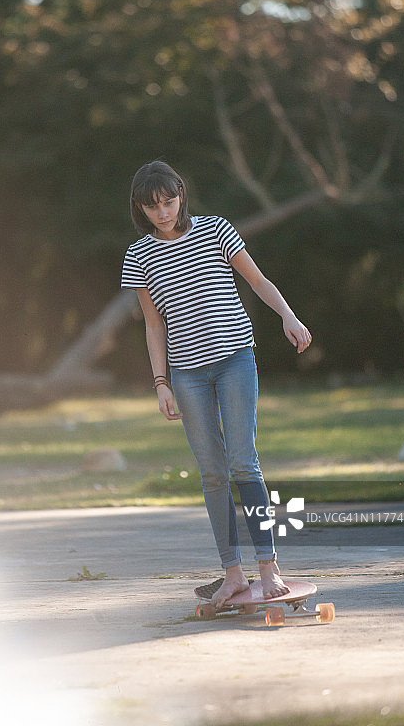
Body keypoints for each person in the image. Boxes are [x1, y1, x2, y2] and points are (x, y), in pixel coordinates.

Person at [121, 160, 312, 608]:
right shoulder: (139, 255)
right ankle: (232, 574)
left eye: (168, 201)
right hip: (187, 374)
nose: (163, 212)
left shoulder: (217, 230)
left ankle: (269, 568)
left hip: (234, 362)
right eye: (153, 207)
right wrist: (160, 382)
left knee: (244, 463)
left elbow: (258, 280)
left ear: (181, 194)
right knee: (212, 472)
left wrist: (289, 316)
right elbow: (153, 326)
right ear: (140, 209)